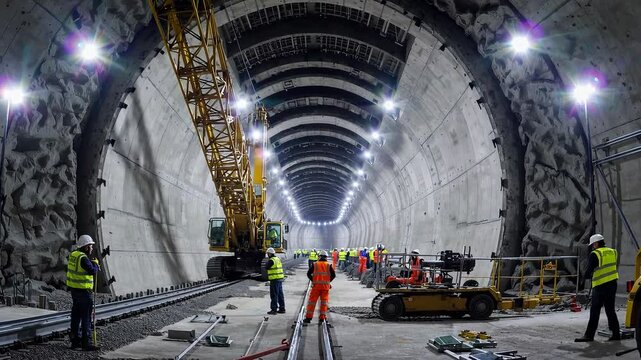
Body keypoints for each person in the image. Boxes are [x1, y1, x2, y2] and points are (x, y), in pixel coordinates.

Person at [575, 234, 620, 342]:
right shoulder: (613, 251)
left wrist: (584, 277)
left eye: (592, 245)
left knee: (595, 311)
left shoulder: (595, 254)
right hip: (612, 284)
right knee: (610, 310)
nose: (592, 247)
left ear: (595, 243)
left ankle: (589, 335)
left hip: (600, 286)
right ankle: (616, 334)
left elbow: (589, 271)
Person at [66, 234, 100, 351]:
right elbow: (92, 271)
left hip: (74, 291)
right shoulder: (84, 258)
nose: (91, 248)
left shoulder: (73, 255)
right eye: (90, 246)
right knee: (86, 318)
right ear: (86, 247)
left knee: (75, 317)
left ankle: (75, 341)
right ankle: (86, 343)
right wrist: (96, 264)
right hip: (84, 292)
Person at [304, 250, 336, 323]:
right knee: (324, 303)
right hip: (325, 287)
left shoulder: (315, 264)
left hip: (316, 287)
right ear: (326, 257)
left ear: (319, 256)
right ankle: (322, 318)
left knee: (312, 302)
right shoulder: (328, 265)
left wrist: (313, 280)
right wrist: (328, 282)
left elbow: (308, 274)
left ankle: (308, 318)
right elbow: (333, 275)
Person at [266, 247, 285, 315]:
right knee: (280, 294)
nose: (267, 255)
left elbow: (266, 267)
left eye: (268, 253)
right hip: (280, 279)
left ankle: (274, 310)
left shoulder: (271, 260)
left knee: (274, 295)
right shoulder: (277, 259)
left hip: (274, 279)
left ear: (270, 254)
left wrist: (267, 261)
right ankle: (282, 308)